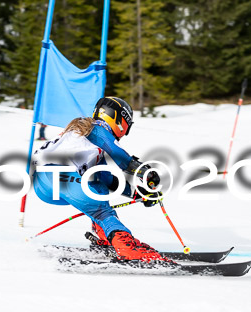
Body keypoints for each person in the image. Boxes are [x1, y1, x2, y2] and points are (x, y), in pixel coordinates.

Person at [32, 96, 168, 262]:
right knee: (102, 210)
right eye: (126, 125)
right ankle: (126, 248)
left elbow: (106, 178)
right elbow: (121, 157)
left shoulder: (85, 137)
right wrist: (144, 172)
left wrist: (137, 194)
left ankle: (107, 239)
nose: (125, 132)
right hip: (59, 174)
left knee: (98, 188)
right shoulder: (97, 129)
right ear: (117, 119)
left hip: (44, 183)